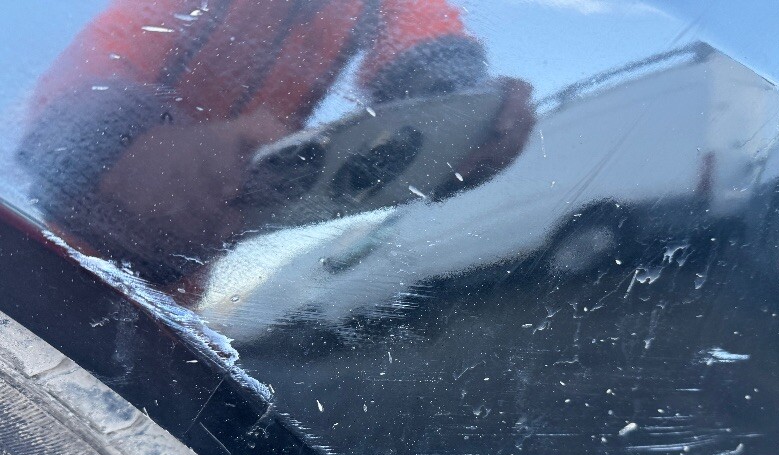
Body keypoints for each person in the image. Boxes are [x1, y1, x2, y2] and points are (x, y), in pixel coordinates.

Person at [20, 0, 533, 285]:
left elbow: (422, 32)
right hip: (51, 239)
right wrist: (126, 146)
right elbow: (97, 64)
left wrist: (462, 117)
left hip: (190, 273)